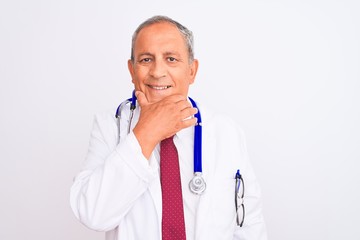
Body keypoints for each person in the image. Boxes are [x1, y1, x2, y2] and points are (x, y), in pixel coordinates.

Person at [70, 15, 267, 240]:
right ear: (132, 70)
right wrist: (146, 133)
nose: (157, 72)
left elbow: (249, 223)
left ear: (192, 71)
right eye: (146, 60)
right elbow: (94, 215)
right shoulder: (109, 126)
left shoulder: (226, 132)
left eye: (171, 59)